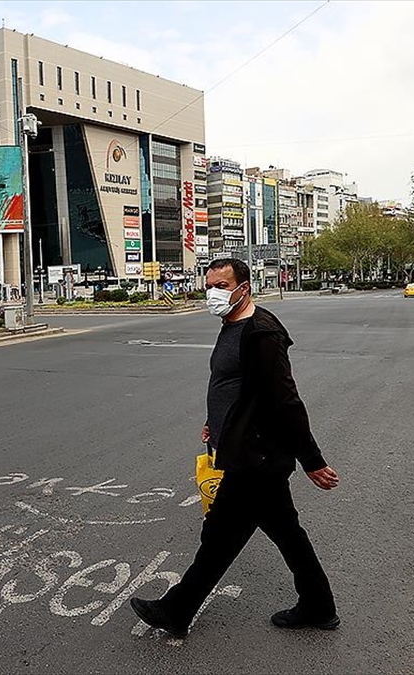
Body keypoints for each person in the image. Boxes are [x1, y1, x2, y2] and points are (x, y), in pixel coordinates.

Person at [131, 257, 341, 637]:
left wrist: (311, 460)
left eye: (222, 286)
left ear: (244, 287)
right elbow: (233, 386)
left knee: (219, 538)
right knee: (282, 533)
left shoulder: (261, 333)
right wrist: (216, 422)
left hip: (257, 455)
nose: (214, 293)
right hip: (246, 448)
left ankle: (177, 610)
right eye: (210, 285)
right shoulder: (232, 324)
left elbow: (285, 400)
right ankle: (318, 605)